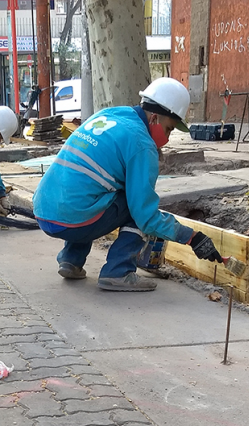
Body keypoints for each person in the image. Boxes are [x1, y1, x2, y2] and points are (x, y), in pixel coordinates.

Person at [32, 78, 225, 292]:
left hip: (44, 209)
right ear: (154, 118)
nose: (167, 139)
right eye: (168, 129)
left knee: (93, 190)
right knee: (137, 208)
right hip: (72, 219)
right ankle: (118, 272)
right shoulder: (142, 144)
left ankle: (71, 260)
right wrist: (192, 237)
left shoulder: (109, 115)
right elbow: (146, 216)